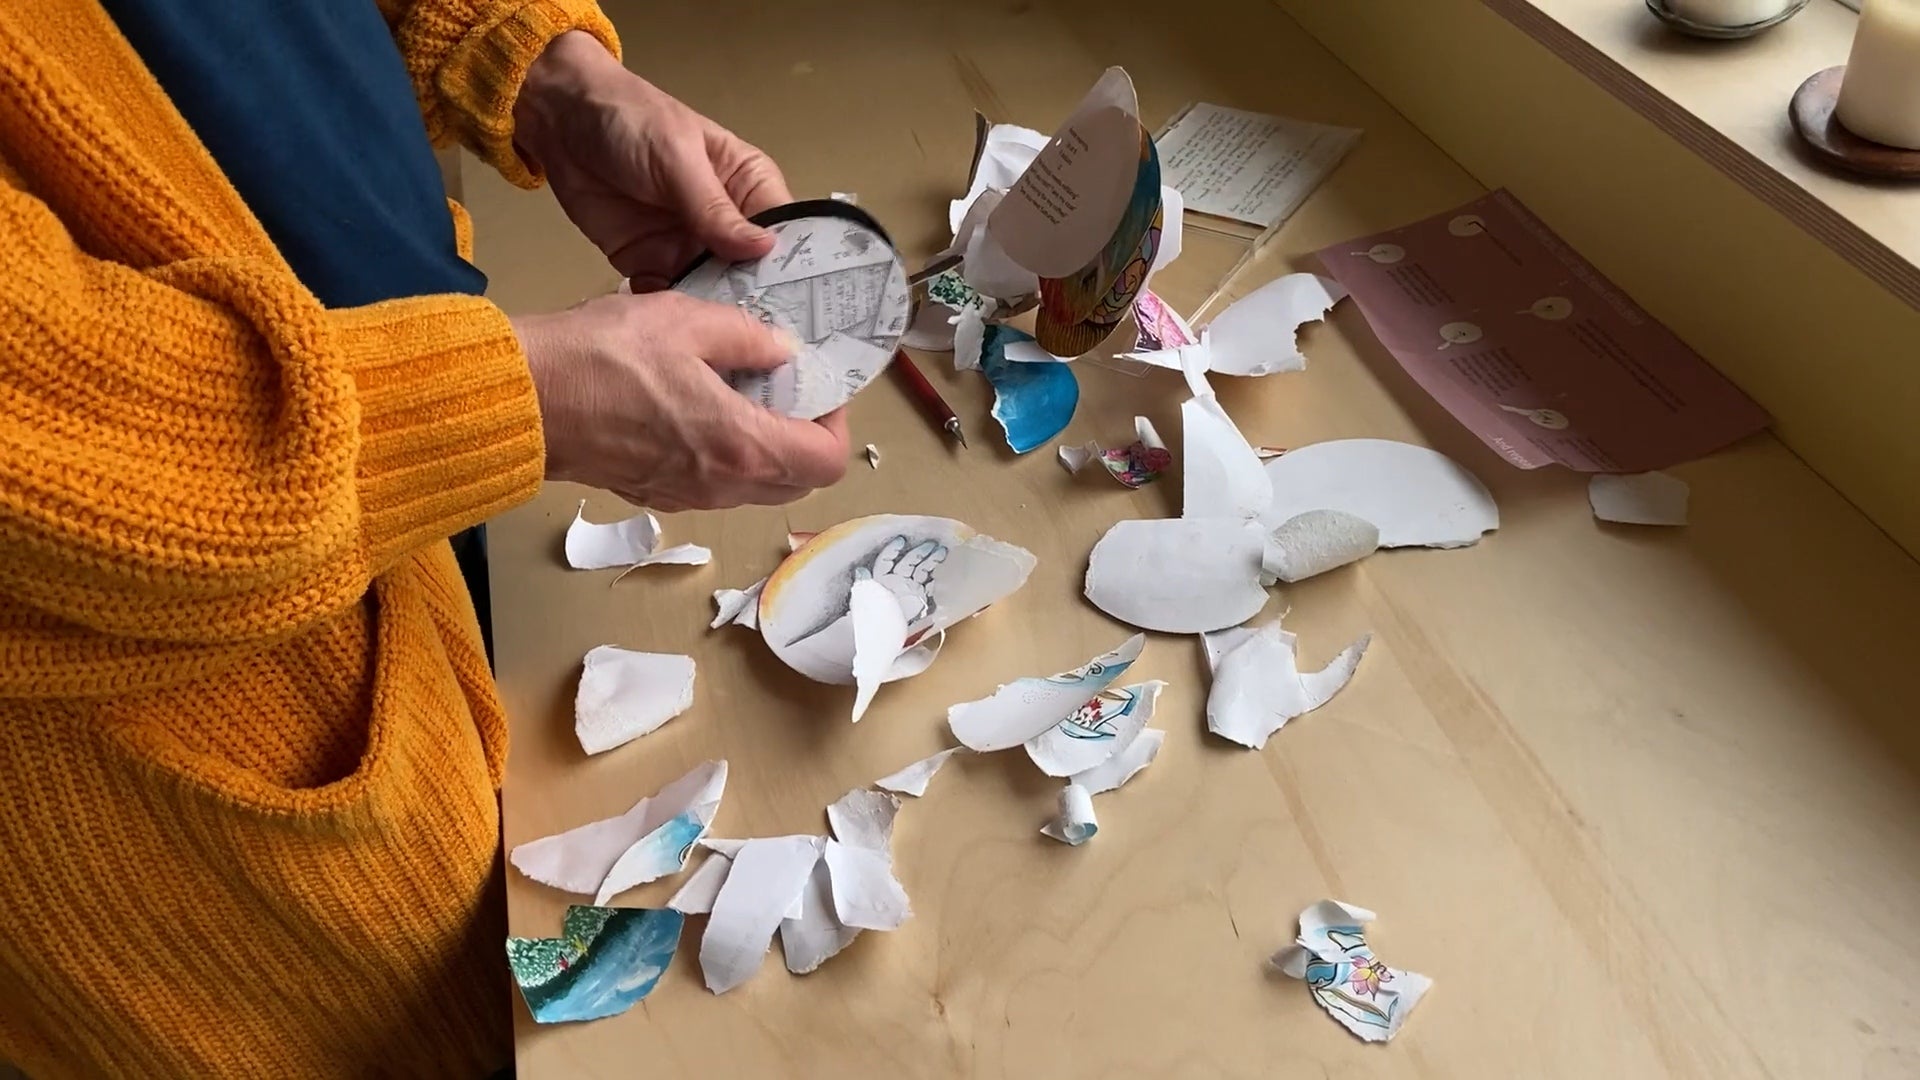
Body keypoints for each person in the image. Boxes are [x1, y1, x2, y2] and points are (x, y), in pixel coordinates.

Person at [0, 3, 847, 1076]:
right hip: (203, 742)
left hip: (413, 448)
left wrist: (536, 65)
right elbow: (62, 439)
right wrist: (513, 401)